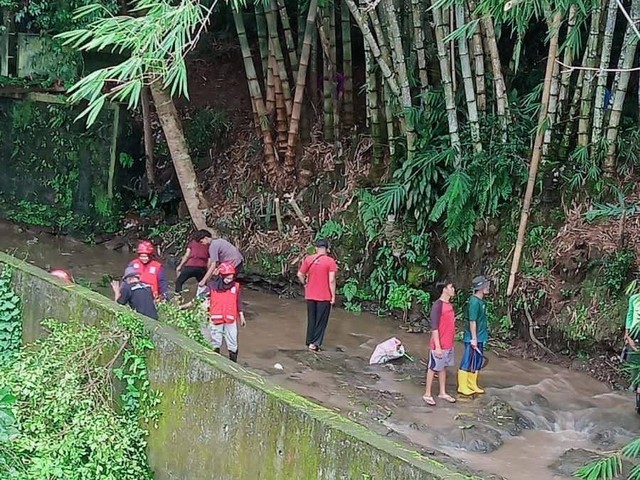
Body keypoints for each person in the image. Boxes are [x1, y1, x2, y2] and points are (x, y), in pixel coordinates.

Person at [199, 262, 246, 362]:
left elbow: (238, 302)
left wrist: (241, 316)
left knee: (233, 342)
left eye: (231, 278)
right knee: (215, 342)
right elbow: (200, 299)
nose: (229, 281)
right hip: (216, 319)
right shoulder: (212, 287)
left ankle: (233, 364)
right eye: (227, 278)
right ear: (221, 276)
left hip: (231, 319)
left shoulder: (235, 287)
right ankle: (216, 363)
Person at [297, 239, 337, 352]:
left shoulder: (309, 259)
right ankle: (314, 344)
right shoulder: (330, 261)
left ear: (316, 248)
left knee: (312, 319)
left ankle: (309, 341)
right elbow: (332, 280)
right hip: (324, 296)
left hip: (310, 295)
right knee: (321, 321)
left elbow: (300, 274)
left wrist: (305, 284)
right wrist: (333, 296)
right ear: (327, 249)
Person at [423, 280, 457, 406]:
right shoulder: (438, 305)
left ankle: (442, 392)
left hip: (448, 343)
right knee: (433, 368)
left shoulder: (449, 305)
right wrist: (437, 346)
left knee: (443, 368)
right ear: (444, 289)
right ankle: (427, 393)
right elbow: (434, 327)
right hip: (439, 344)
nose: (453, 289)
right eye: (451, 287)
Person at [458, 275, 491, 396]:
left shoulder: (481, 301)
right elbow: (472, 321)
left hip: (480, 336)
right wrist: (473, 338)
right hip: (473, 337)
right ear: (481, 288)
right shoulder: (474, 302)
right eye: (486, 286)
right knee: (468, 360)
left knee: (476, 361)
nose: (488, 287)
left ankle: (472, 384)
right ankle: (462, 386)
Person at [175, 229, 213, 294]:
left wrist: (180, 266)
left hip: (190, 266)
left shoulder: (192, 243)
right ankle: (202, 300)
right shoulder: (208, 245)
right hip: (201, 268)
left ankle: (178, 299)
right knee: (203, 285)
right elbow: (209, 260)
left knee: (179, 282)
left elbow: (187, 255)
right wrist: (208, 271)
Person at [623, 287, 640, 412]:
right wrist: (627, 333)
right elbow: (630, 315)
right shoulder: (634, 298)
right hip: (634, 333)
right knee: (633, 361)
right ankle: (634, 382)